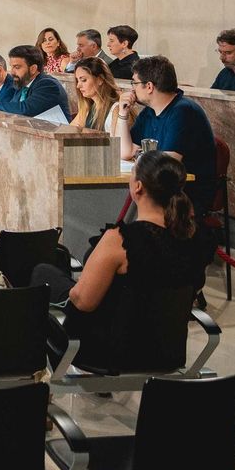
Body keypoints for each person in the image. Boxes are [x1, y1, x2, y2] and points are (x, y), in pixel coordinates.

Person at [29, 152, 209, 371]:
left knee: (42, 273)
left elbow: (83, 301)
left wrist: (72, 290)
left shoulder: (122, 240)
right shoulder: (196, 239)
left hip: (108, 354)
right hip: (168, 353)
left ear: (138, 187)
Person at [117, 55, 218, 216]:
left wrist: (140, 155)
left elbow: (167, 165)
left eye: (134, 83)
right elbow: (125, 152)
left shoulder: (183, 111)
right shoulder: (149, 112)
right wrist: (122, 114)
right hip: (157, 186)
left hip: (184, 193)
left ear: (149, 86)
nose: (132, 89)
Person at [0, 45, 69, 118]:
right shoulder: (22, 86)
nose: (12, 72)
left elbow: (24, 109)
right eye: (12, 67)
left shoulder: (47, 85)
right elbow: (11, 107)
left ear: (33, 69)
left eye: (17, 67)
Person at [70, 58, 121, 132]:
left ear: (100, 79)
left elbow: (117, 143)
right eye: (77, 80)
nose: (78, 86)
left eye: (83, 80)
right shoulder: (87, 107)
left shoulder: (116, 109)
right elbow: (67, 133)